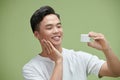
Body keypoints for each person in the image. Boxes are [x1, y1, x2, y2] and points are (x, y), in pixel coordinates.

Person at [22, 6, 120, 80]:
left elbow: (116, 72)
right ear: (37, 34)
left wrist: (107, 49)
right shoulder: (31, 68)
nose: (56, 31)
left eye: (59, 26)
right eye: (49, 27)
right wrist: (59, 61)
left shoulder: (80, 57)